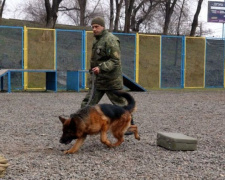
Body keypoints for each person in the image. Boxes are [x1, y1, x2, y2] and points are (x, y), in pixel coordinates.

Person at [80, 17, 134, 134]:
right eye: (93, 27)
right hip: (98, 80)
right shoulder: (97, 40)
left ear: (103, 27)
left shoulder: (111, 40)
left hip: (111, 80)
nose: (94, 29)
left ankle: (129, 125)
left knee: (120, 104)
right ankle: (80, 123)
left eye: (97, 27)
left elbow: (115, 60)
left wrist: (101, 68)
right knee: (88, 103)